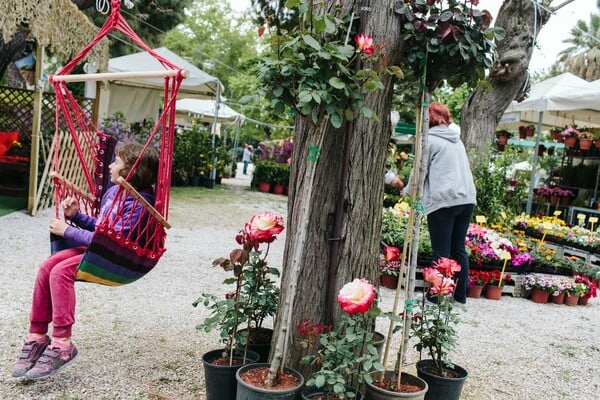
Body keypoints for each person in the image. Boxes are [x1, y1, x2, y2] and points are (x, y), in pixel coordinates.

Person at [12, 142, 159, 380]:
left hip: (119, 257)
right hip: (101, 249)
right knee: (46, 267)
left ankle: (62, 343)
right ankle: (37, 336)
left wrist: (67, 231)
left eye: (116, 162)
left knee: (61, 272)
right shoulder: (114, 192)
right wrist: (76, 217)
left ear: (132, 170)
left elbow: (110, 241)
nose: (110, 165)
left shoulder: (140, 204)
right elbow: (102, 228)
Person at [401, 102, 476, 304]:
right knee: (458, 248)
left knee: (441, 251)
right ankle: (460, 296)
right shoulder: (456, 140)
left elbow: (419, 172)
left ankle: (435, 296)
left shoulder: (429, 141)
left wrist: (407, 191)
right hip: (467, 198)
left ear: (428, 119)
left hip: (444, 201)